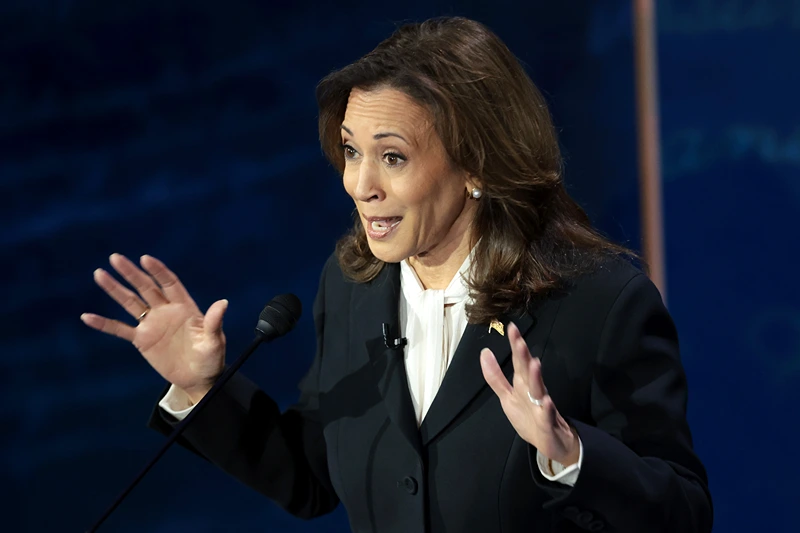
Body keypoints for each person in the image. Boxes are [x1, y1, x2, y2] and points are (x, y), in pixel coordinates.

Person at [81, 16, 712, 533]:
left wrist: (571, 457)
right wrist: (203, 391)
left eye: (392, 156)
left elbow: (683, 512)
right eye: (352, 152)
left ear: (477, 167)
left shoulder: (597, 302)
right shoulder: (352, 287)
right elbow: (314, 476)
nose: (360, 185)